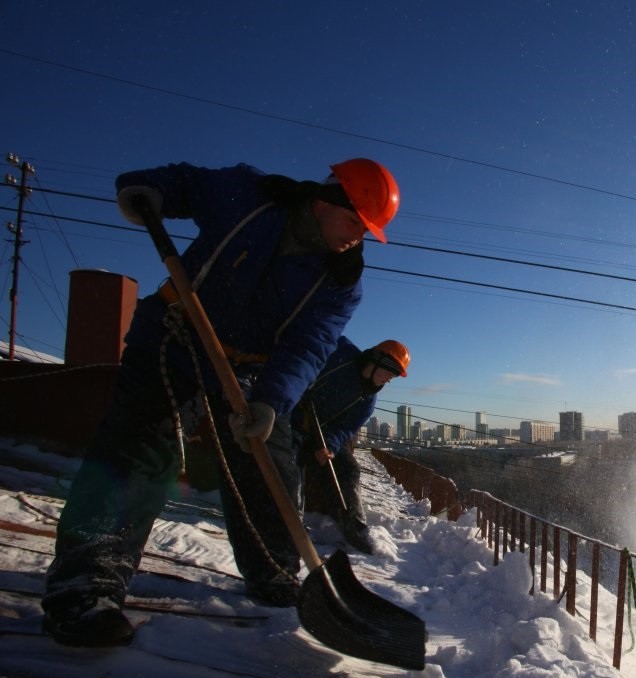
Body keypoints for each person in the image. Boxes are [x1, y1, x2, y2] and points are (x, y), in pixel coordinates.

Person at [42, 158, 401, 648]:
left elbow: (308, 346)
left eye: (367, 230)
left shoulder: (341, 281)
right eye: (354, 221)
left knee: (269, 458)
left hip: (248, 368)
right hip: (173, 336)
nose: (357, 236)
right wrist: (149, 190)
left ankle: (275, 573)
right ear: (327, 199)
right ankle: (86, 586)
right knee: (142, 447)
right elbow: (187, 184)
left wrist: (272, 402)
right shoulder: (252, 198)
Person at [294, 338, 409, 554]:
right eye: (386, 373)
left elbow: (346, 428)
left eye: (391, 378)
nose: (387, 380)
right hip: (291, 417)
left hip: (320, 433)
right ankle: (291, 519)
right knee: (292, 466)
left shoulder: (367, 399)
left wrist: (329, 445)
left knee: (349, 469)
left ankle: (354, 526)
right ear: (375, 361)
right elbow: (313, 348)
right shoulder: (341, 354)